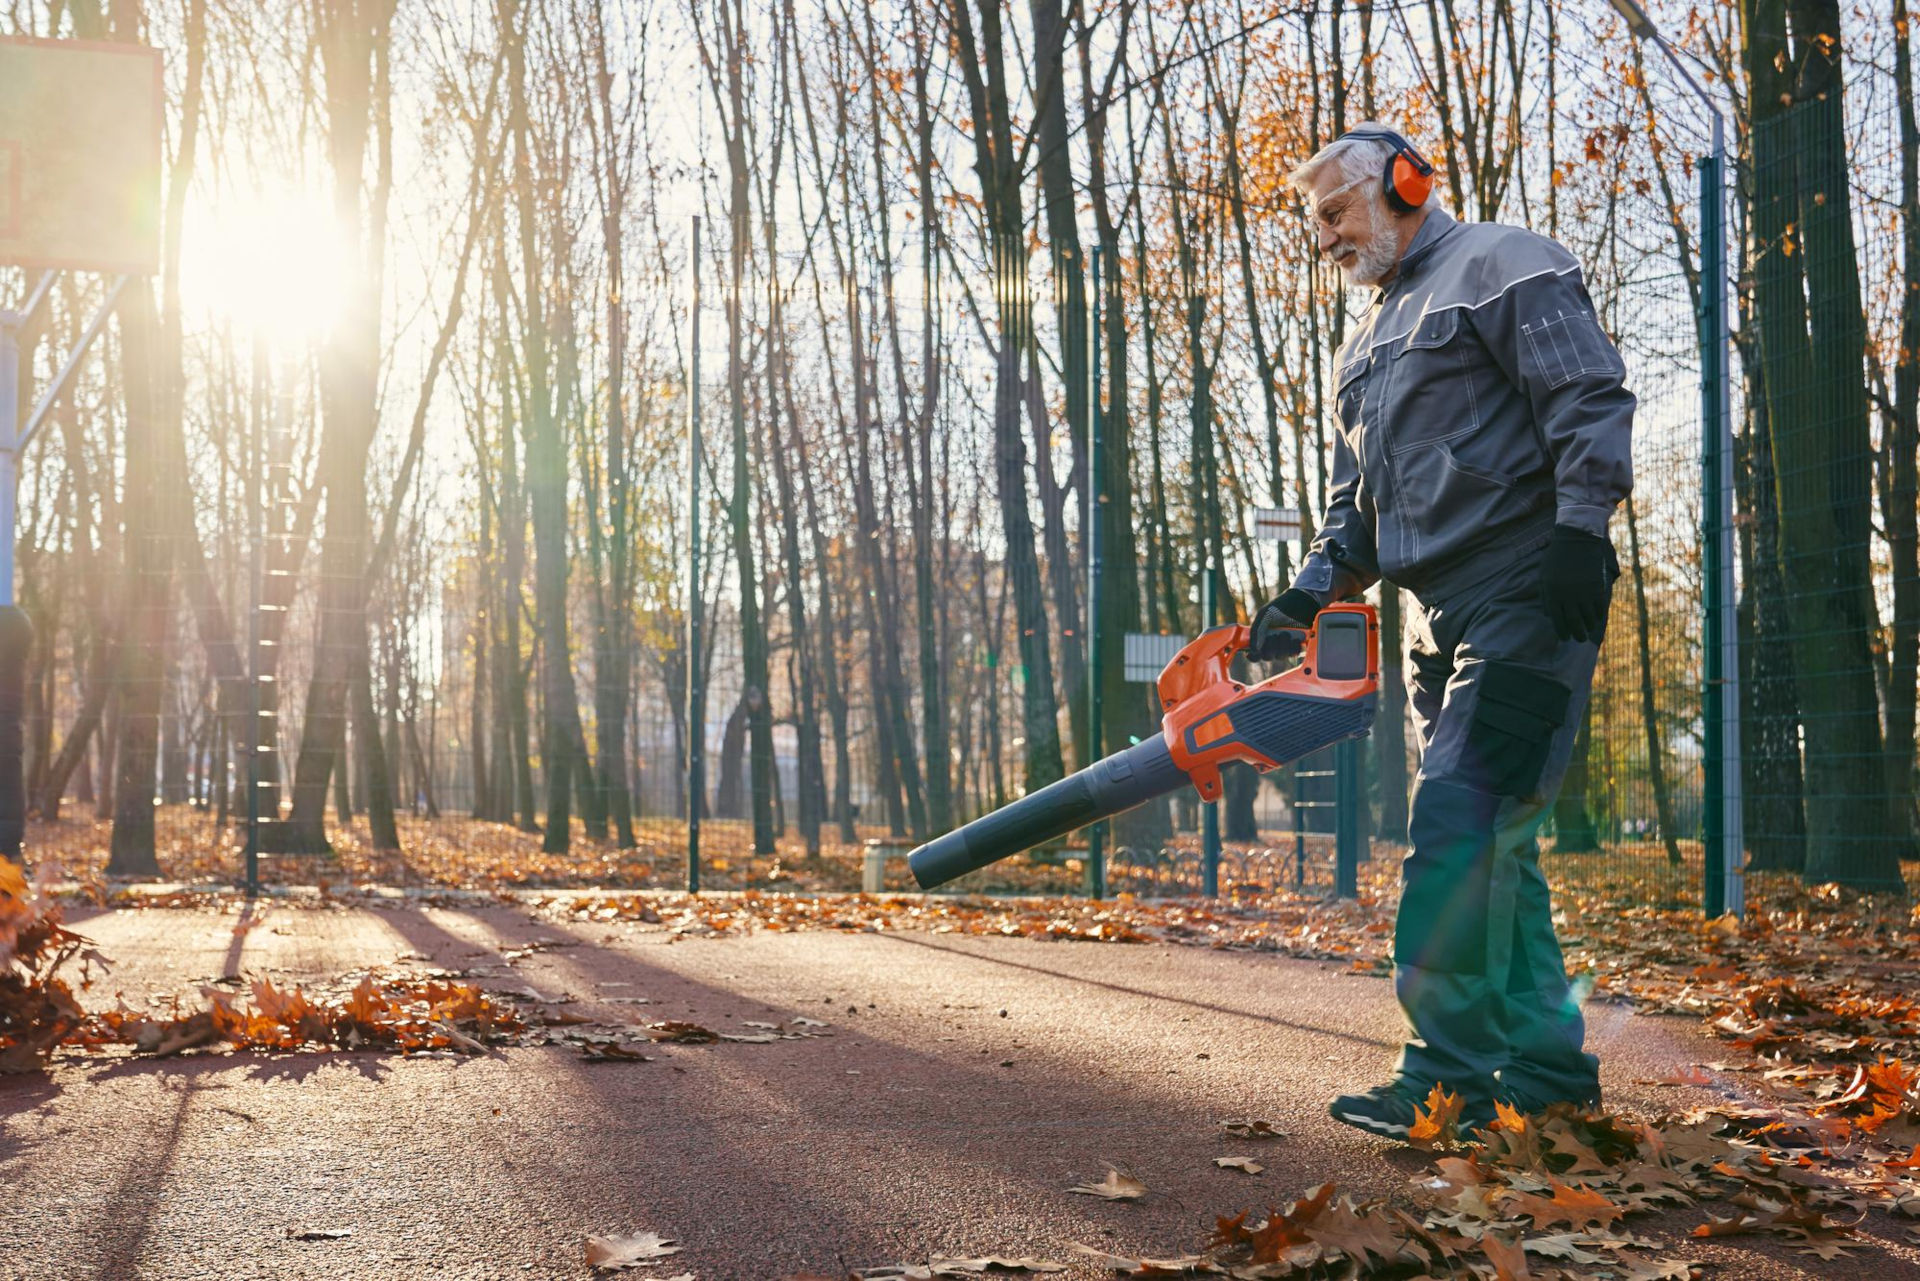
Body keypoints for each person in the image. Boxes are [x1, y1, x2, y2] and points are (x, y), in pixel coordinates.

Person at [1251, 124, 1634, 1139]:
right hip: (1441, 614)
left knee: (1458, 826)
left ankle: (1449, 1078)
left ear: (1406, 184)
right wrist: (1305, 595)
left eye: (1335, 211)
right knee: (1498, 837)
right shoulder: (1363, 344)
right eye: (1314, 221)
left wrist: (1582, 533)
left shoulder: (1505, 265)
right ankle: (1546, 1071)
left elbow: (1587, 395)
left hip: (1529, 591)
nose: (1324, 236)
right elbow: (1357, 507)